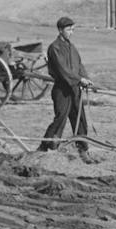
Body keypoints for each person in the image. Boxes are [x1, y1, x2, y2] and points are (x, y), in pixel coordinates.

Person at [38, 16, 95, 160]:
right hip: (62, 90)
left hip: (75, 89)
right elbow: (63, 70)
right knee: (60, 119)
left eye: (73, 30)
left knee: (80, 120)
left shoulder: (72, 47)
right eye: (69, 30)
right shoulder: (54, 48)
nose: (71, 32)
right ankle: (46, 148)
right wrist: (79, 79)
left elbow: (79, 65)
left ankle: (83, 150)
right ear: (60, 30)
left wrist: (86, 78)